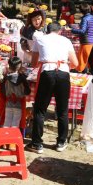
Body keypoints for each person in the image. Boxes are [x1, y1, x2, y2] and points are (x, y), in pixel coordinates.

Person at [27, 22, 79, 154]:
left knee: (40, 109)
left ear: (47, 30)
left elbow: (33, 63)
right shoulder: (66, 40)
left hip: (47, 73)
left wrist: (43, 60)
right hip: (63, 73)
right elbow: (76, 63)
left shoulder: (40, 39)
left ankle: (37, 143)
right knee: (62, 110)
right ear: (60, 31)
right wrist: (65, 65)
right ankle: (61, 142)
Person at [71, 3, 93, 74]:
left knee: (83, 61)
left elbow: (82, 31)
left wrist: (71, 30)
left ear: (81, 11)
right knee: (92, 61)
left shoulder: (85, 19)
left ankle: (83, 76)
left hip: (86, 42)